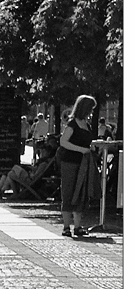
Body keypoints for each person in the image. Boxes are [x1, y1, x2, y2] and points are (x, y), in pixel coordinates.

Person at [56, 94, 98, 237]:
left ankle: (78, 226)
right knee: (68, 191)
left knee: (81, 192)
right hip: (69, 162)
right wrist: (81, 150)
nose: (91, 112)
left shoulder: (87, 124)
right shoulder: (72, 124)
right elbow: (63, 142)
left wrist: (91, 148)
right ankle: (66, 226)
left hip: (83, 163)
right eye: (90, 109)